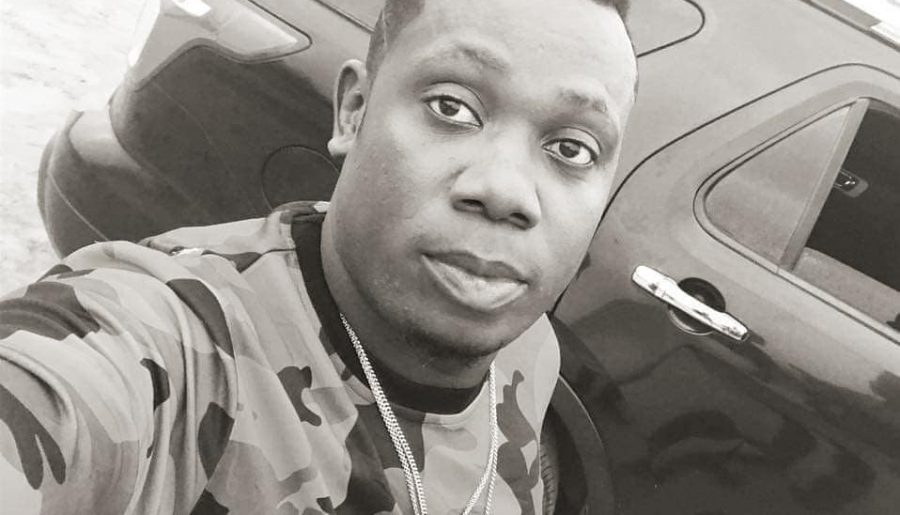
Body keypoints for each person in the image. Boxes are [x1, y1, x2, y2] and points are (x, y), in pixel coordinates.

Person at [0, 0, 637, 512]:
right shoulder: (177, 349)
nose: (505, 191)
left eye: (572, 149)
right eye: (453, 108)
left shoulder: (528, 350)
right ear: (354, 112)